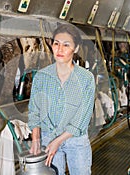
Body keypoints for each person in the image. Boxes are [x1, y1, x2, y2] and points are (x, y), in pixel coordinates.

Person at [28, 23, 96, 175]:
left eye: (66, 45)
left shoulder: (86, 78)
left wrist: (57, 142)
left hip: (75, 140)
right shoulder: (41, 77)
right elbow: (34, 111)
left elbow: (82, 118)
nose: (59, 49)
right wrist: (36, 140)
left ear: (76, 48)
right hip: (48, 137)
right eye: (56, 44)